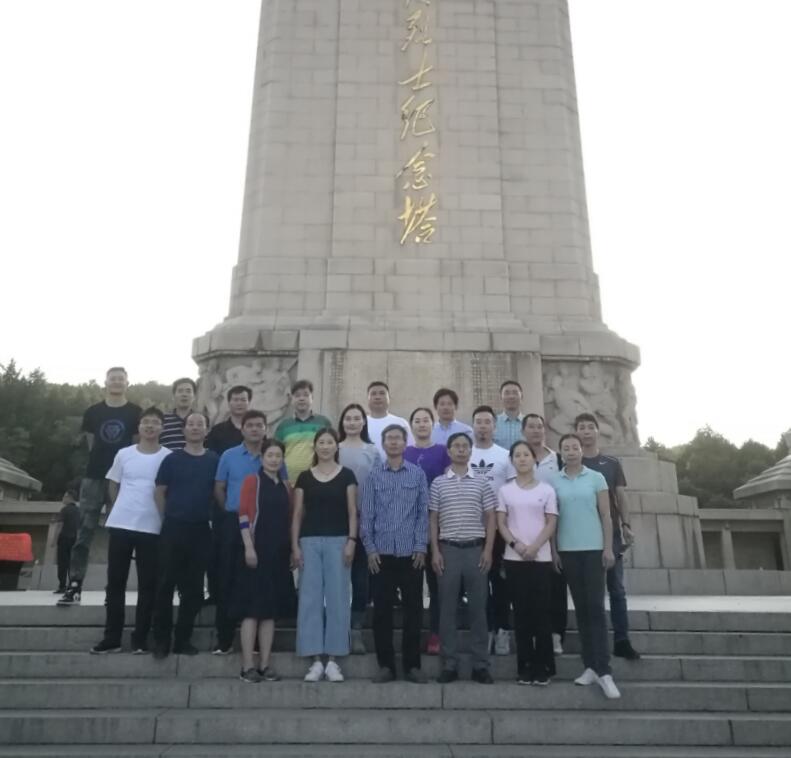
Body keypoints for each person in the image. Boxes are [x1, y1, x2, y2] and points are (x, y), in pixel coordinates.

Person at [58, 367, 142, 606]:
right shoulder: (93, 412)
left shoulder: (135, 412)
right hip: (94, 476)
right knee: (84, 531)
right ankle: (74, 584)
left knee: (120, 534)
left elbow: (135, 446)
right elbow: (91, 444)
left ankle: (113, 589)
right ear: (106, 382)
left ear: (127, 383)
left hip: (122, 479)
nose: (117, 382)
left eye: (121, 379)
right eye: (113, 379)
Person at [89, 408, 171, 654]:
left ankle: (140, 638)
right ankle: (112, 637)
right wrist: (119, 506)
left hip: (152, 526)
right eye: (146, 422)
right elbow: (113, 483)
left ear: (162, 428)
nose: (150, 426)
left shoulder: (168, 456)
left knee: (148, 585)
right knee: (115, 583)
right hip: (121, 524)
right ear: (139, 426)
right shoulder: (124, 454)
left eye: (155, 422)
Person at [551, 433, 620, 699]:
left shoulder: (596, 477)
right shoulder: (554, 480)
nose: (571, 451)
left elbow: (606, 515)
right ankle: (589, 666)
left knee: (595, 609)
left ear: (582, 451)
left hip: (593, 550)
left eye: (575, 447)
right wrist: (554, 551)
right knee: (581, 609)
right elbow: (553, 519)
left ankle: (604, 670)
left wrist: (608, 547)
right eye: (566, 448)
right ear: (560, 452)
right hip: (568, 551)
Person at [360, 424, 429, 684]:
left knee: (413, 611)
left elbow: (423, 513)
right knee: (382, 613)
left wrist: (421, 546)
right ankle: (386, 666)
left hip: (411, 554)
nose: (394, 442)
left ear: (405, 443)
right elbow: (367, 515)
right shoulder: (373, 476)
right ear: (383, 443)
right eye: (389, 438)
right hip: (381, 555)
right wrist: (370, 549)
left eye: (398, 438)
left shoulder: (417, 474)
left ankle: (412, 666)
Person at [429, 432, 497, 684]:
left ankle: (480, 664)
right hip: (448, 550)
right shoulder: (438, 483)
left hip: (475, 550)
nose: (460, 450)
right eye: (456, 446)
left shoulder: (481, 482)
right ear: (448, 451)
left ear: (470, 451)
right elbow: (433, 519)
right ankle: (449, 663)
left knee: (478, 608)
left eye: (465, 446)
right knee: (447, 608)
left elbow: (491, 517)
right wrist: (435, 551)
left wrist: (488, 550)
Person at [292, 428, 357, 682]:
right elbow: (298, 513)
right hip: (309, 541)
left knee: (338, 598)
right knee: (309, 599)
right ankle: (315, 660)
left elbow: (352, 511)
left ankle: (333, 660)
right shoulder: (304, 477)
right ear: (315, 446)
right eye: (321, 442)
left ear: (336, 446)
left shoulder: (347, 475)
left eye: (330, 442)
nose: (326, 446)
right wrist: (295, 545)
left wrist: (352, 541)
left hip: (339, 541)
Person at [152, 412, 218, 658]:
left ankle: (182, 639)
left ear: (207, 430)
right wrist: (166, 518)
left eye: (200, 424)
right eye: (191, 424)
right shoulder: (172, 459)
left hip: (201, 529)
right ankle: (161, 639)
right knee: (165, 585)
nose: (195, 428)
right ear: (184, 430)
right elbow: (160, 491)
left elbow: (218, 492)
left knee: (194, 589)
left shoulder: (214, 459)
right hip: (173, 527)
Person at [575, 412, 640, 661]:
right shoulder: (571, 462)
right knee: (590, 594)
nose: (586, 431)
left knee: (617, 589)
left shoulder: (611, 463)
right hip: (582, 536)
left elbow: (620, 496)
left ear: (597, 430)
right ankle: (593, 642)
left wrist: (626, 524)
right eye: (581, 427)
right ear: (576, 432)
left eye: (590, 427)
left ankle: (622, 639)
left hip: (610, 534)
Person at [497, 441, 558, 685]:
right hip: (515, 558)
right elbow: (501, 523)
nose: (522, 459)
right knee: (521, 614)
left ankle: (544, 667)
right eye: (517, 455)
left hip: (540, 558)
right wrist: (517, 545)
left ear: (534, 459)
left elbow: (551, 522)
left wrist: (534, 547)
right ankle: (525, 666)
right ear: (512, 461)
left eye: (526, 455)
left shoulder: (546, 490)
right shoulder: (505, 491)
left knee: (541, 613)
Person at [213, 410, 273, 654]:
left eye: (260, 425)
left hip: (264, 525)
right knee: (227, 578)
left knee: (258, 580)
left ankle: (257, 641)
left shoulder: (272, 456)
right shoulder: (229, 455)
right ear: (243, 429)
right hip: (232, 522)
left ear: (266, 428)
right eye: (250, 425)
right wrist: (231, 509)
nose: (255, 429)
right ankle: (224, 638)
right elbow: (219, 487)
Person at [233, 439, 291, 683]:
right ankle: (247, 665)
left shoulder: (285, 485)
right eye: (270, 455)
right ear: (263, 457)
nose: (274, 460)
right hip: (256, 551)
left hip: (278, 553)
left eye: (278, 456)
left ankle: (265, 664)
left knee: (269, 612)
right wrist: (249, 546)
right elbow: (243, 514)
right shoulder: (252, 481)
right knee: (252, 610)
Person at [469, 405, 516, 656]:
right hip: (471, 529)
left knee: (500, 583)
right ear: (473, 426)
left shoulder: (505, 456)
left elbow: (511, 493)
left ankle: (502, 631)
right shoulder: (464, 453)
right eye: (478, 422)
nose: (483, 426)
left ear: (494, 427)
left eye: (487, 422)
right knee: (478, 585)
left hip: (498, 530)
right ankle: (484, 630)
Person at [404, 407, 451, 656]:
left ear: (432, 424)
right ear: (411, 425)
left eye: (426, 420)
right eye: (417, 420)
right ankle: (411, 635)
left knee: (436, 585)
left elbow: (448, 484)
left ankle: (436, 633)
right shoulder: (404, 452)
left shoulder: (443, 452)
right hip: (408, 526)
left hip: (437, 524)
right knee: (411, 586)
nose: (422, 424)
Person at [338, 403, 382, 655]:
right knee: (339, 577)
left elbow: (377, 486)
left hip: (365, 520)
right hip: (336, 520)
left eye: (357, 418)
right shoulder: (334, 448)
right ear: (342, 422)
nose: (352, 422)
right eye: (348, 418)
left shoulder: (372, 451)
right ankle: (338, 627)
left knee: (361, 577)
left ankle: (356, 628)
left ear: (363, 423)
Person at [523, 412, 566, 655]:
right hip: (525, 529)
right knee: (529, 587)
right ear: (523, 431)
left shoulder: (557, 459)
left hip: (555, 526)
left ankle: (556, 634)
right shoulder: (518, 457)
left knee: (555, 584)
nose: (536, 430)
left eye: (539, 426)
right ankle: (531, 634)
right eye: (531, 426)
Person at [275, 379, 332, 483]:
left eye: (306, 395)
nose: (301, 398)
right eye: (297, 395)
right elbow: (277, 453)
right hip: (288, 481)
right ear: (292, 399)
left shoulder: (324, 423)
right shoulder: (283, 426)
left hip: (317, 480)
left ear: (312, 398)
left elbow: (332, 451)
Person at [366, 381, 413, 458]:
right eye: (373, 394)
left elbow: (410, 449)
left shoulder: (401, 423)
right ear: (368, 398)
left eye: (382, 393)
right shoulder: (361, 423)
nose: (377, 397)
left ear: (389, 398)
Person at [206, 386, 252, 456]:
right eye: (235, 400)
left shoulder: (255, 429)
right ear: (229, 403)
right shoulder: (217, 431)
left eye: (243, 400)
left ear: (249, 402)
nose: (239, 403)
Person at [50, 486, 80, 593]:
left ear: (69, 497)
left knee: (63, 563)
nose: (63, 498)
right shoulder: (78, 511)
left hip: (64, 539)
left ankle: (62, 586)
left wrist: (54, 540)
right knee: (72, 564)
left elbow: (59, 526)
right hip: (74, 539)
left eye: (64, 496)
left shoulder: (64, 510)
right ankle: (73, 585)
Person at [159, 378, 197, 451]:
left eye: (188, 391)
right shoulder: (162, 420)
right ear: (173, 396)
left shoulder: (201, 421)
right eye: (180, 391)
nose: (184, 394)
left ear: (194, 397)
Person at [494, 380, 525, 450]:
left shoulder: (529, 423)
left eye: (515, 393)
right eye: (507, 393)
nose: (511, 397)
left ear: (522, 397)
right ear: (500, 398)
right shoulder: (493, 422)